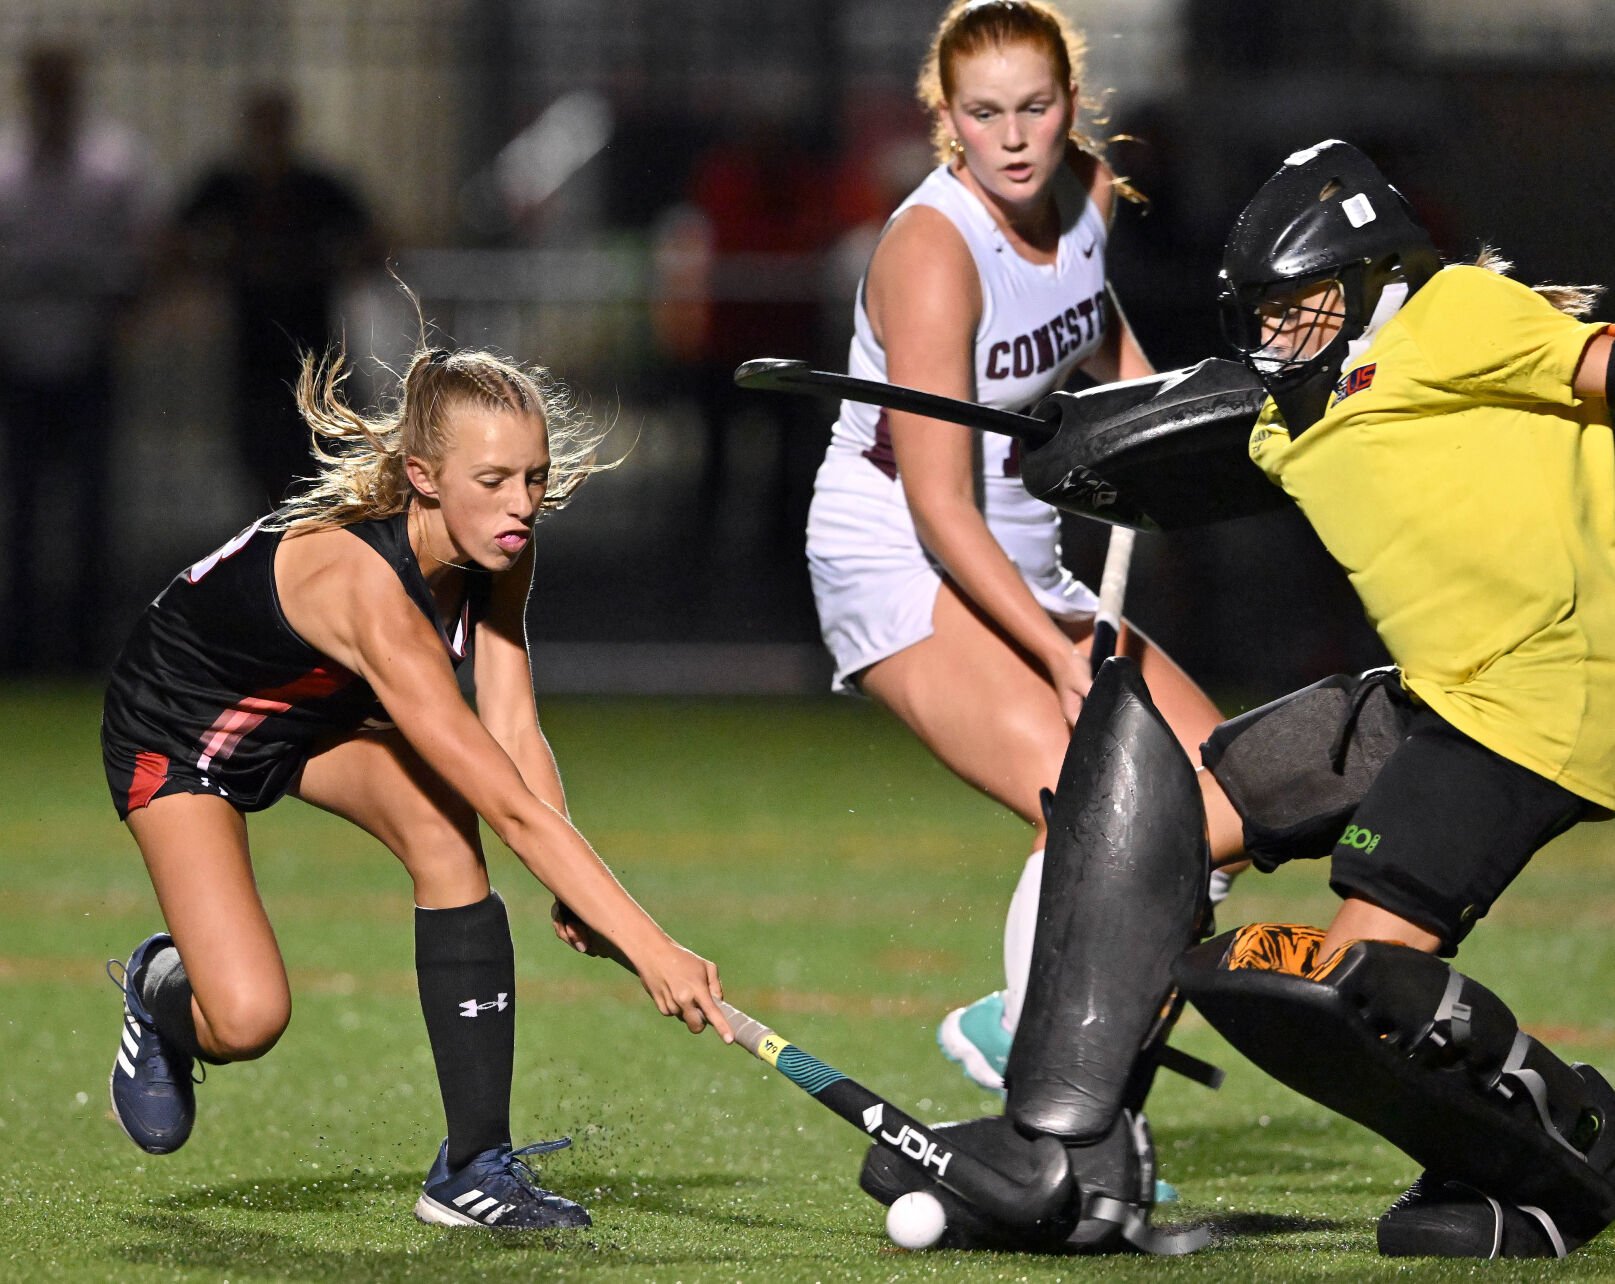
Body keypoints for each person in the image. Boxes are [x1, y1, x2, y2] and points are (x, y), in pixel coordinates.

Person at [101, 340, 733, 1231]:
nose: (521, 505)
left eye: (535, 478)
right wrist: (651, 946)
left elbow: (514, 734)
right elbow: (506, 800)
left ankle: (471, 1171)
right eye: (494, 480)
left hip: (315, 709)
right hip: (183, 726)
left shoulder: (504, 547)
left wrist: (572, 888)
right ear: (423, 477)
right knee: (245, 1020)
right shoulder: (366, 592)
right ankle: (158, 982)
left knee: (445, 840)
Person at [1176, 138, 1615, 1259]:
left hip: (1537, 688)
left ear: (1373, 274)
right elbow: (1197, 440)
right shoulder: (1299, 412)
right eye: (1263, 311)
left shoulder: (1451, 310)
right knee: (1171, 814)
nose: (1278, 330)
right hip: (1445, 691)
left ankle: (1568, 1162)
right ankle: (1068, 1134)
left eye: (1302, 303)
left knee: (1353, 986)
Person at [803, 0, 1245, 1094]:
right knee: (1096, 800)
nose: (1011, 136)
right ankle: (1049, 1092)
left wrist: (1156, 433)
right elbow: (939, 508)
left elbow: (1086, 326)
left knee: (1227, 806)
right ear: (946, 115)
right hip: (900, 553)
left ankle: (1039, 1029)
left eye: (1034, 108)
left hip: (1021, 547)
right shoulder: (932, 252)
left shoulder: (1086, 192)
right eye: (984, 113)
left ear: (1069, 108)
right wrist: (1059, 658)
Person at [0, 43, 157, 672]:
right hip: (16, 351)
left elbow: (147, 249)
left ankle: (84, 645)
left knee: (91, 506)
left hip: (89, 350)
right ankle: (21, 645)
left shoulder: (112, 163)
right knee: (23, 506)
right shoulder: (7, 166)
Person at [169, 85, 382, 508]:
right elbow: (175, 239)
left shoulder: (315, 187)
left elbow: (375, 242)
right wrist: (219, 261)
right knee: (259, 465)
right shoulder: (230, 186)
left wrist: (323, 263)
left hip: (311, 344)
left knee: (314, 459)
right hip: (254, 347)